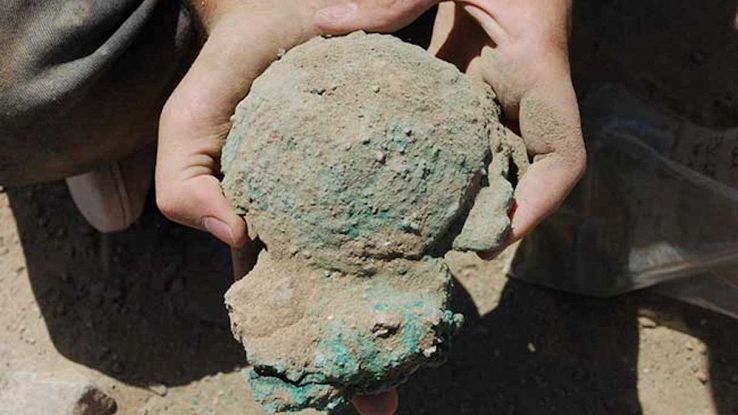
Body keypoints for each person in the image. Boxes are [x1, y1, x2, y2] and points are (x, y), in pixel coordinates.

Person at [0, 1, 585, 414]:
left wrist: (529, 14)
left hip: (424, 96)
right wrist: (235, 9)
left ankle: (128, 101)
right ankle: (140, 101)